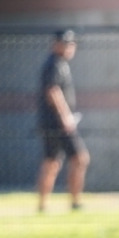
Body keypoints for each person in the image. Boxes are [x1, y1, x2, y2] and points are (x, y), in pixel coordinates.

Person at [35, 29, 89, 213]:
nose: (70, 47)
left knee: (52, 162)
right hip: (58, 124)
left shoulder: (59, 63)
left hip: (55, 123)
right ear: (56, 44)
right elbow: (53, 91)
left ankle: (44, 204)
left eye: (72, 44)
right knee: (79, 158)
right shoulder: (54, 64)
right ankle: (74, 201)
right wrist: (65, 116)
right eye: (66, 44)